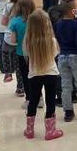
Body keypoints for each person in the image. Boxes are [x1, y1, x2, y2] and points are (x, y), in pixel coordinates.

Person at [22, 10, 64, 141]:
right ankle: (50, 131)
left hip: (34, 74)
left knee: (33, 101)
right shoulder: (52, 41)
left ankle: (29, 130)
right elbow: (56, 54)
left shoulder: (28, 42)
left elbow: (26, 56)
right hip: (51, 73)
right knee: (50, 101)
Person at [1, 0, 32, 96]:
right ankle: (20, 88)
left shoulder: (9, 6)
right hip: (23, 38)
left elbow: (3, 22)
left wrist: (12, 23)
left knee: (4, 51)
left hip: (10, 37)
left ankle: (8, 72)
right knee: (20, 65)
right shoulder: (29, 5)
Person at [7, 0, 36, 105]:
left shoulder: (15, 21)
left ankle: (29, 99)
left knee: (25, 75)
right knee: (37, 75)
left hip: (22, 53)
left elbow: (13, 41)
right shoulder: (37, 19)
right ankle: (40, 98)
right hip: (37, 52)